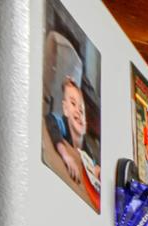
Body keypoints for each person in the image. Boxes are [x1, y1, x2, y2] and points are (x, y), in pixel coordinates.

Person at [42, 33, 100, 211]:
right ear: (65, 109)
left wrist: (97, 169)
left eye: (81, 109)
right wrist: (65, 155)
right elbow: (50, 122)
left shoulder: (86, 148)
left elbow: (92, 163)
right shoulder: (60, 124)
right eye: (73, 105)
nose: (78, 112)